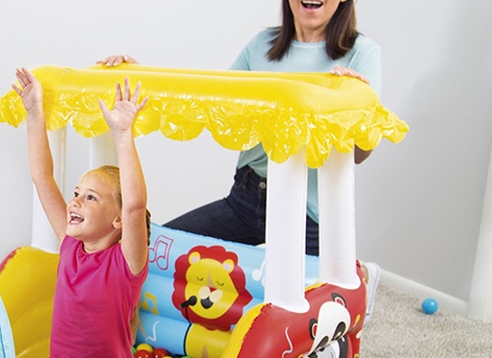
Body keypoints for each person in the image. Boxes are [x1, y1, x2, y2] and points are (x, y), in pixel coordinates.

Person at [99, 0, 382, 317]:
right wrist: (142, 77)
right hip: (248, 196)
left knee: (322, 306)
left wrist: (353, 103)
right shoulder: (263, 45)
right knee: (151, 251)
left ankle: (360, 272)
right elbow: (212, 101)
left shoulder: (362, 52)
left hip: (309, 212)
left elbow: (361, 153)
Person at [12, 68, 149, 358]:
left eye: (91, 198)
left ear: (117, 221)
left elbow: (135, 205)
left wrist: (123, 134)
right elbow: (42, 177)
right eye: (76, 193)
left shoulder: (126, 263)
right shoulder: (70, 244)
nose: (74, 202)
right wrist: (34, 112)